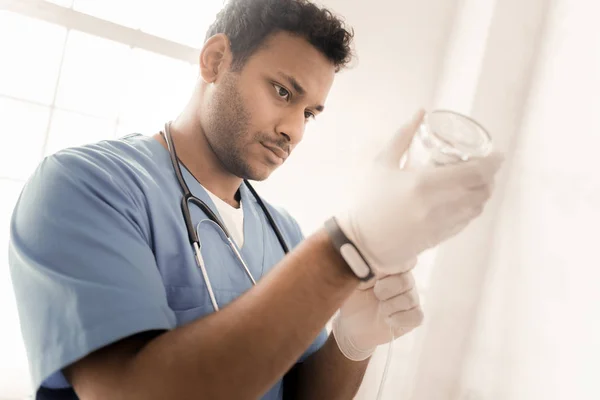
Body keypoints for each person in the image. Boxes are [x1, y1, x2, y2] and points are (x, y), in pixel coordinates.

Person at [8, 0, 503, 398]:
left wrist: (352, 342)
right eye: (284, 93)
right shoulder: (86, 186)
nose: (293, 130)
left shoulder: (284, 234)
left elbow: (303, 392)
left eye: (310, 113)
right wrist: (346, 249)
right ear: (216, 60)